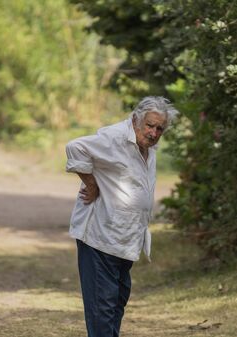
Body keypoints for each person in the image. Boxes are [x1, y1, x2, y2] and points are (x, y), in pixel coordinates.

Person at [65, 96, 178, 337]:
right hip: (100, 235)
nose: (154, 132)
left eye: (160, 128)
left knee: (117, 300)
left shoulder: (148, 147)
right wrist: (91, 184)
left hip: (125, 238)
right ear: (137, 120)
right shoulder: (115, 138)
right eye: (150, 125)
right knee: (102, 306)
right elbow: (75, 147)